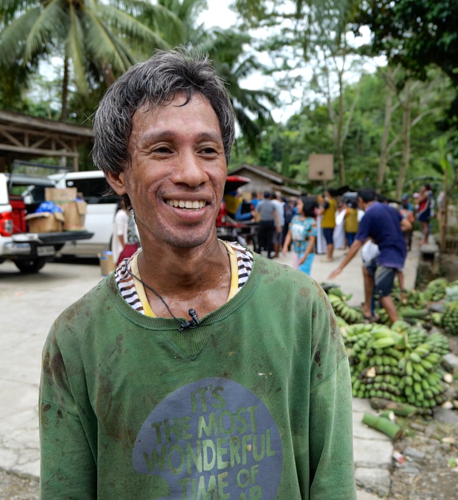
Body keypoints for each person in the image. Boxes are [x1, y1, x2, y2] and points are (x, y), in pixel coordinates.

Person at [39, 49, 355, 500]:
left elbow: (333, 480)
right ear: (117, 173)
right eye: (162, 149)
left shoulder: (299, 307)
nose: (192, 173)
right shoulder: (77, 339)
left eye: (208, 150)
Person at [328, 188, 411, 323]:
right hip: (396, 250)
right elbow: (407, 225)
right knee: (367, 268)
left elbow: (356, 244)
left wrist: (341, 267)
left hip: (390, 255)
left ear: (360, 201)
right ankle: (367, 308)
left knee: (384, 294)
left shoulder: (369, 214)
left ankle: (399, 327)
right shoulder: (389, 208)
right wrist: (389, 232)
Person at [282, 196, 318, 275]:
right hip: (296, 251)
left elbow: (312, 241)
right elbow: (289, 234)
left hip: (307, 252)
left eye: (299, 204)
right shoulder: (295, 219)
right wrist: (285, 246)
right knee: (296, 273)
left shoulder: (311, 222)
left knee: (303, 275)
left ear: (306, 206)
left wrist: (305, 256)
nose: (297, 206)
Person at [112, 199, 139, 264]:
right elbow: (120, 233)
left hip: (134, 244)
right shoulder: (120, 215)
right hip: (127, 246)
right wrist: (124, 247)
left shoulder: (131, 214)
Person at [256, 191, 279, 258]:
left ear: (263, 196)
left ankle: (259, 252)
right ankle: (269, 254)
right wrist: (277, 224)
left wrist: (256, 220)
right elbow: (275, 215)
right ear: (269, 196)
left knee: (260, 238)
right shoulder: (272, 204)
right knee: (270, 238)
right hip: (270, 223)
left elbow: (257, 213)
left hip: (263, 223)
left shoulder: (260, 203)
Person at [320, 188, 337, 260]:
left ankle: (329, 256)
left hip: (327, 223)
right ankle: (331, 255)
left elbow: (320, 212)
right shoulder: (334, 202)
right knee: (331, 240)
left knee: (328, 240)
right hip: (332, 223)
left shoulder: (327, 202)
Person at [271, 191, 285, 258]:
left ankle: (276, 254)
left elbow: (275, 214)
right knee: (279, 238)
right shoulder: (280, 203)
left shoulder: (272, 203)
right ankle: (278, 253)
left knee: (275, 239)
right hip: (282, 222)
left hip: (276, 223)